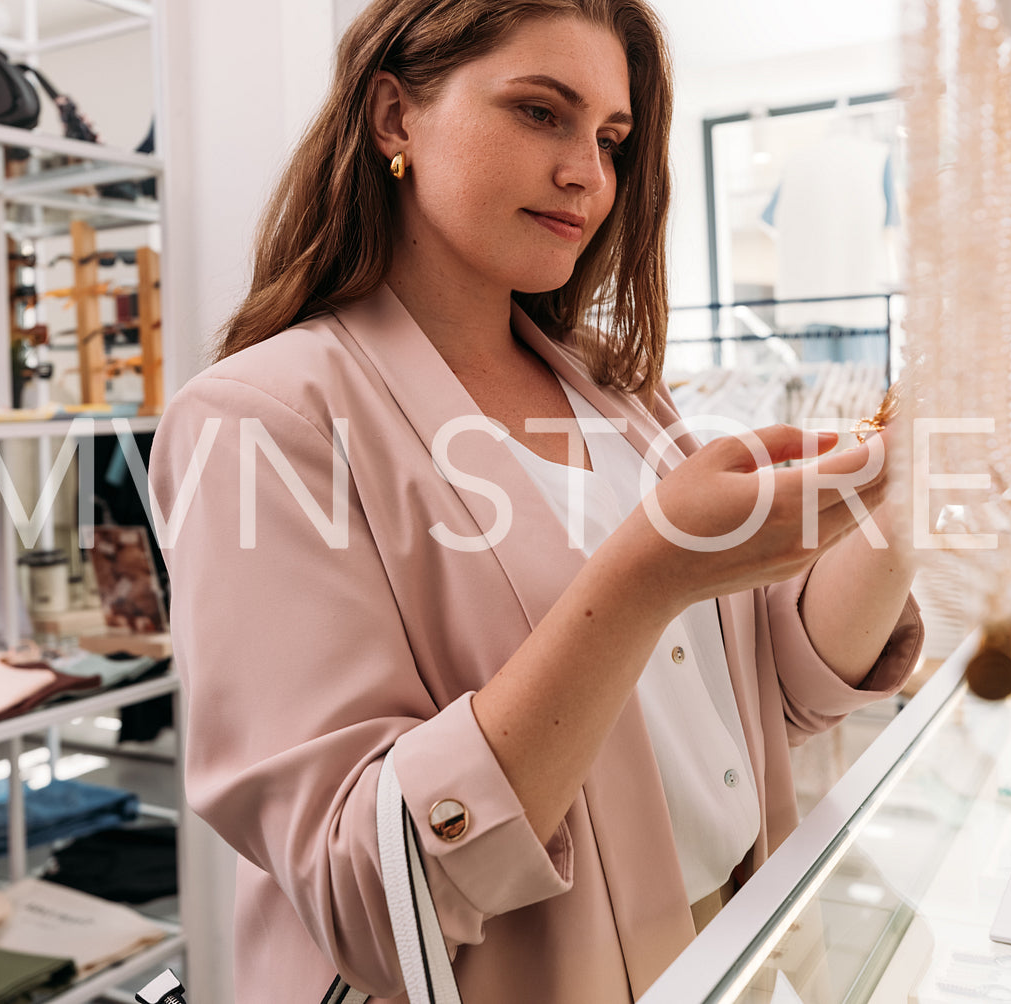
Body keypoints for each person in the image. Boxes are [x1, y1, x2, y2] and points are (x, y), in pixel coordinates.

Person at [149, 1, 923, 1000]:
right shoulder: (261, 419)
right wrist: (645, 576)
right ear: (393, 117)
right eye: (538, 113)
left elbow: (774, 691)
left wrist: (899, 495)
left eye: (609, 136)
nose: (587, 174)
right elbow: (361, 887)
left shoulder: (612, 389)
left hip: (738, 943)